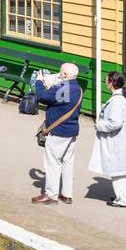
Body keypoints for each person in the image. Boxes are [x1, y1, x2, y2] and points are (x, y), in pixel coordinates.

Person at [31, 63, 83, 205]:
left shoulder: (63, 88)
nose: (59, 74)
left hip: (59, 131)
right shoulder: (77, 88)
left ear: (65, 74)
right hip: (71, 130)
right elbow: (58, 99)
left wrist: (39, 82)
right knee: (67, 163)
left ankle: (51, 195)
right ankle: (66, 194)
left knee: (52, 163)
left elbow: (42, 97)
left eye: (61, 72)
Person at [89, 71, 126, 208]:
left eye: (106, 80)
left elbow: (115, 123)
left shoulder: (117, 101)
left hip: (117, 143)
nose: (105, 82)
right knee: (122, 172)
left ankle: (122, 200)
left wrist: (99, 125)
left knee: (117, 172)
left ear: (110, 83)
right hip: (122, 142)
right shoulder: (123, 98)